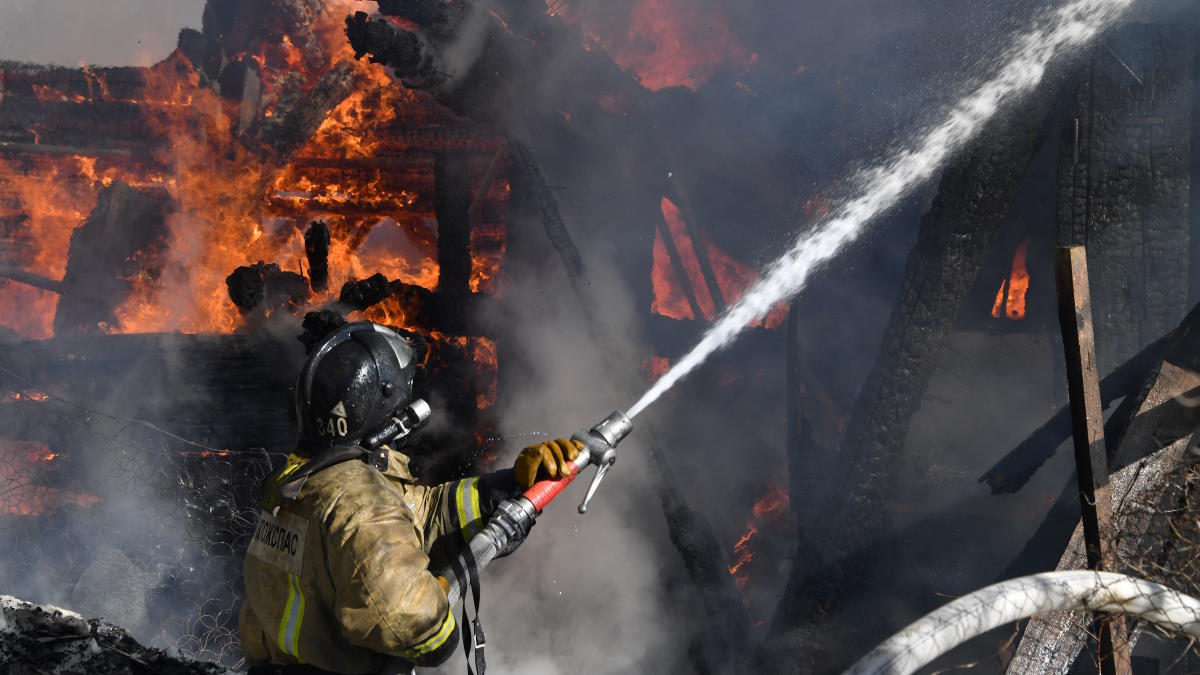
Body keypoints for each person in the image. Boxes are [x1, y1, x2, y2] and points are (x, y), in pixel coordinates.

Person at [239, 321, 579, 674]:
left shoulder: (301, 486)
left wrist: (511, 485)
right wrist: (444, 588)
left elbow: (419, 515)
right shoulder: (360, 503)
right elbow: (422, 633)